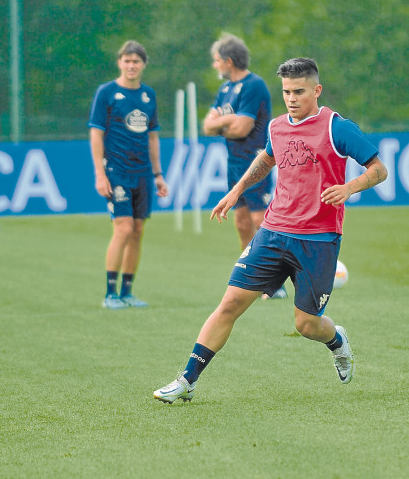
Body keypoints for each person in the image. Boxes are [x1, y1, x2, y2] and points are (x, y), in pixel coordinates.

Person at [154, 57, 388, 403]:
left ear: (316, 90)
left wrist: (349, 187)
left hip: (318, 240)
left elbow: (379, 169)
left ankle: (336, 340)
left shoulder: (337, 128)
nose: (291, 98)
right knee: (230, 302)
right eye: (286, 92)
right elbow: (267, 159)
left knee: (306, 325)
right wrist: (236, 191)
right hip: (273, 232)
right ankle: (186, 380)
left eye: (299, 91)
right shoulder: (277, 126)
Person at [202, 34, 285, 300]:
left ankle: (275, 283)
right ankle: (252, 277)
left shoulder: (253, 85)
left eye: (217, 61)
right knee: (240, 221)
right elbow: (207, 125)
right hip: (234, 161)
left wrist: (223, 123)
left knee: (260, 220)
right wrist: (230, 120)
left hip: (256, 160)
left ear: (228, 61)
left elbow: (242, 129)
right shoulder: (225, 90)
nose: (215, 66)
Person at [88, 40, 169, 309]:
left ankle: (127, 292)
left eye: (136, 61)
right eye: (126, 60)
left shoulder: (149, 95)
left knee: (137, 231)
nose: (131, 65)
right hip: (117, 171)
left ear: (143, 64)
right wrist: (100, 174)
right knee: (122, 228)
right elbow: (96, 134)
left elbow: (153, 137)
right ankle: (110, 293)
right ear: (119, 63)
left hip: (143, 173)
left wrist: (158, 174)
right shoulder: (107, 92)